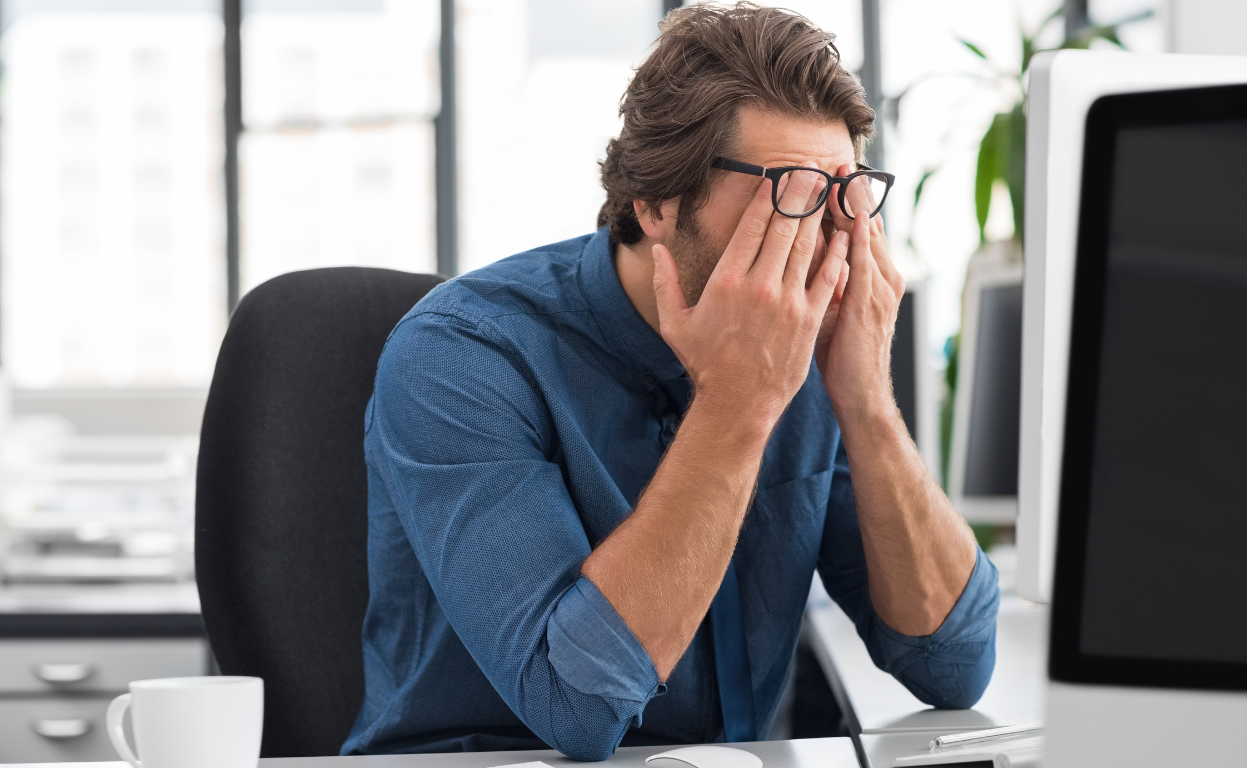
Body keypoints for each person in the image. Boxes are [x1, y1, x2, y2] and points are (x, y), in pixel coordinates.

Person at [342, 3, 999, 760]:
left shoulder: (815, 351)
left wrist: (867, 402)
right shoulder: (460, 356)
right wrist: (739, 403)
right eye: (790, 193)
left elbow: (953, 664)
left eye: (844, 198)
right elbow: (576, 709)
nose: (823, 242)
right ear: (656, 202)